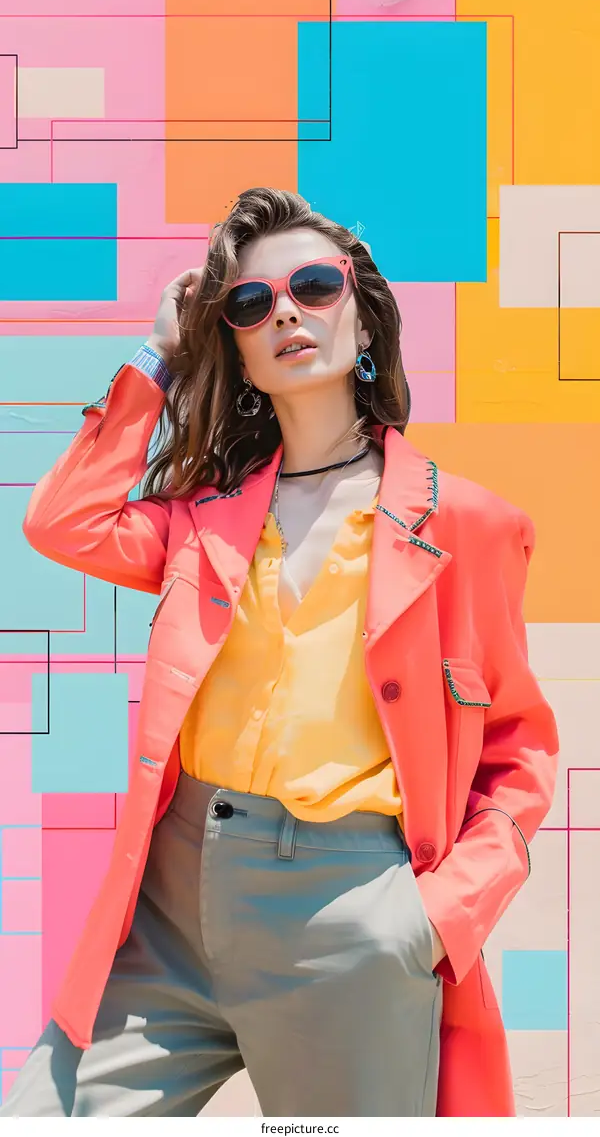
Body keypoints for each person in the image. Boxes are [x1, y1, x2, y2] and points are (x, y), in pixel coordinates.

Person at [1, 188, 558, 1118]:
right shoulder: (202, 521)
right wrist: (158, 360)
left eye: (312, 285)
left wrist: (430, 920)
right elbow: (63, 521)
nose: (286, 312)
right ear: (239, 352)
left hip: (350, 914)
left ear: (364, 315)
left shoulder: (465, 525)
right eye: (251, 305)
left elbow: (519, 751)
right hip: (174, 902)